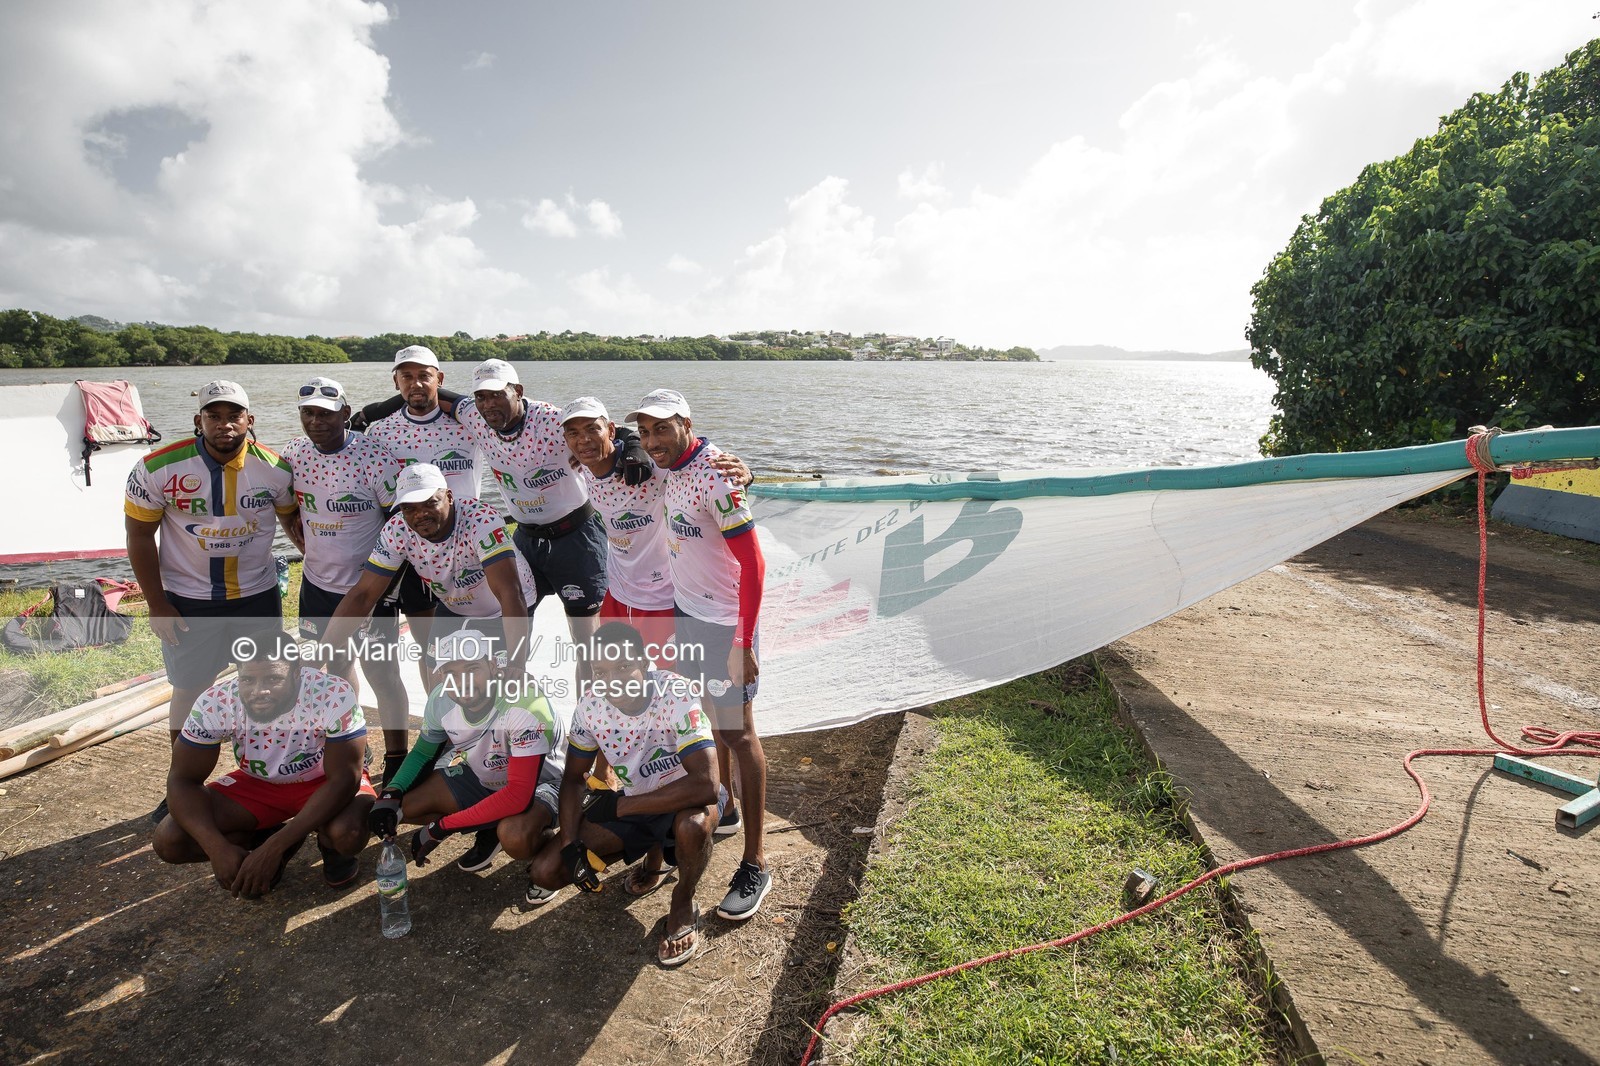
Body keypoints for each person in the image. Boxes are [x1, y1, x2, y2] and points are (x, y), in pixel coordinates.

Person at [628, 388, 772, 921]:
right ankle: (726, 807)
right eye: (643, 432)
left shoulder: (716, 474)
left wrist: (742, 642)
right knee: (706, 721)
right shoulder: (664, 461)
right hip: (686, 613)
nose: (651, 441)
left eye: (661, 429)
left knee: (737, 731)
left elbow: (754, 566)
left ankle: (756, 861)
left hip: (724, 624)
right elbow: (608, 446)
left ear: (686, 423)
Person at [125, 380, 299, 821]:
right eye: (214, 416)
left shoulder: (276, 469)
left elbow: (296, 523)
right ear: (198, 420)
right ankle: (182, 785)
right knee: (188, 690)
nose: (225, 424)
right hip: (187, 601)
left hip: (256, 597)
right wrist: (157, 604)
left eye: (234, 415)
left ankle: (268, 774)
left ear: (250, 420)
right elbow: (139, 536)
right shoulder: (156, 467)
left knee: (267, 686)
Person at [527, 622, 723, 966]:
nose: (612, 679)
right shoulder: (590, 706)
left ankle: (683, 899)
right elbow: (573, 778)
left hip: (685, 798)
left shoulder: (675, 692)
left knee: (693, 826)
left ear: (644, 663)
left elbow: (706, 782)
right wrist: (571, 843)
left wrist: (622, 807)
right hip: (638, 802)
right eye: (600, 670)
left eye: (622, 666)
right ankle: (655, 857)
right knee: (546, 871)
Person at [151, 628, 375, 895]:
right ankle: (266, 837)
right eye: (248, 680)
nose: (259, 691)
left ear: (296, 673)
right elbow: (182, 780)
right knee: (170, 840)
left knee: (348, 833)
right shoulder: (216, 702)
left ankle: (325, 846)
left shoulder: (333, 693)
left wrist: (273, 849)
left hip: (323, 780)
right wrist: (217, 849)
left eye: (273, 678)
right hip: (259, 784)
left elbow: (344, 780)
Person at [277, 376, 412, 786]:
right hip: (317, 584)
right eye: (308, 413)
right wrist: (298, 537)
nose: (316, 421)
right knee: (333, 669)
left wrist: (382, 585)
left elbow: (400, 522)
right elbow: (286, 506)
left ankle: (397, 755)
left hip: (369, 588)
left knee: (382, 673)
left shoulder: (376, 457)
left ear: (346, 414)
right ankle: (353, 741)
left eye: (326, 414)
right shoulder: (293, 455)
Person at [560, 396, 753, 658]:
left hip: (661, 599)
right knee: (613, 673)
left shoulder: (650, 466)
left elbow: (688, 455)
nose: (583, 440)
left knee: (675, 683)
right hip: (617, 592)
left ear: (611, 430)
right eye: (574, 434)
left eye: (592, 429)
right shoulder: (581, 467)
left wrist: (745, 475)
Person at [367, 627, 565, 877]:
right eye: (451, 673)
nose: (462, 683)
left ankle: (549, 852)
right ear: (440, 676)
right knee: (398, 809)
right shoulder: (440, 699)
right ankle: (490, 824)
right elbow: (423, 754)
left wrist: (442, 827)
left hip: (544, 785)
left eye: (472, 669)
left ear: (492, 666)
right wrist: (390, 793)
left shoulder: (524, 703)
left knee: (515, 836)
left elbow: (517, 795)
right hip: (486, 776)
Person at [322, 463, 536, 680]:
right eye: (409, 508)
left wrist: (516, 664)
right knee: (437, 680)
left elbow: (509, 591)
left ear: (449, 497)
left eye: (430, 503)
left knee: (495, 686)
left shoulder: (481, 520)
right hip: (455, 606)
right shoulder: (397, 529)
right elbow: (364, 594)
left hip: (503, 609)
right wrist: (319, 655)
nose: (420, 515)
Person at [358, 344, 485, 702]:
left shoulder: (468, 423)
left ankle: (480, 725)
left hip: (467, 550)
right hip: (414, 550)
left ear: (439, 379)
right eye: (407, 376)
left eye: (424, 376)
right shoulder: (380, 432)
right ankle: (439, 724)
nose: (416, 384)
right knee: (432, 649)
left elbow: (512, 424)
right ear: (395, 381)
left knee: (473, 647)